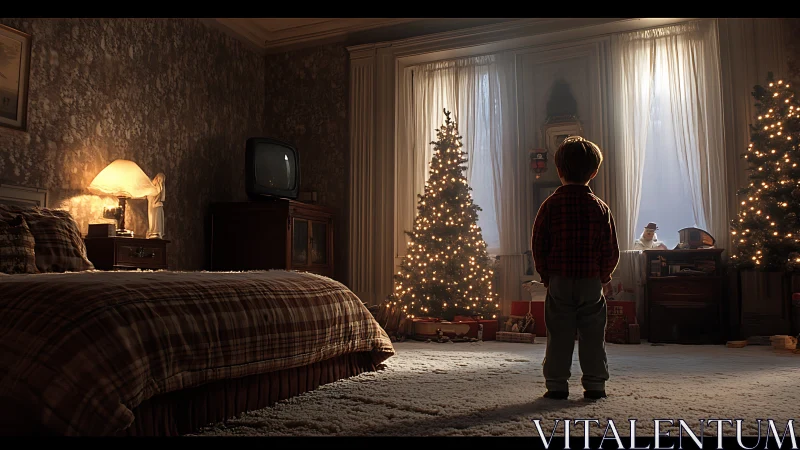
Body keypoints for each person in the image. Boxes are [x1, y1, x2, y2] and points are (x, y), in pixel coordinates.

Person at [531, 136, 620, 401]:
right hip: (590, 280)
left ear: (558, 171)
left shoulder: (549, 206)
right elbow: (610, 248)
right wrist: (603, 276)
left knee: (558, 333)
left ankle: (557, 384)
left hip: (558, 279)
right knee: (593, 334)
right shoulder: (600, 208)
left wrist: (546, 275)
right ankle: (595, 384)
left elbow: (539, 244)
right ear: (593, 172)